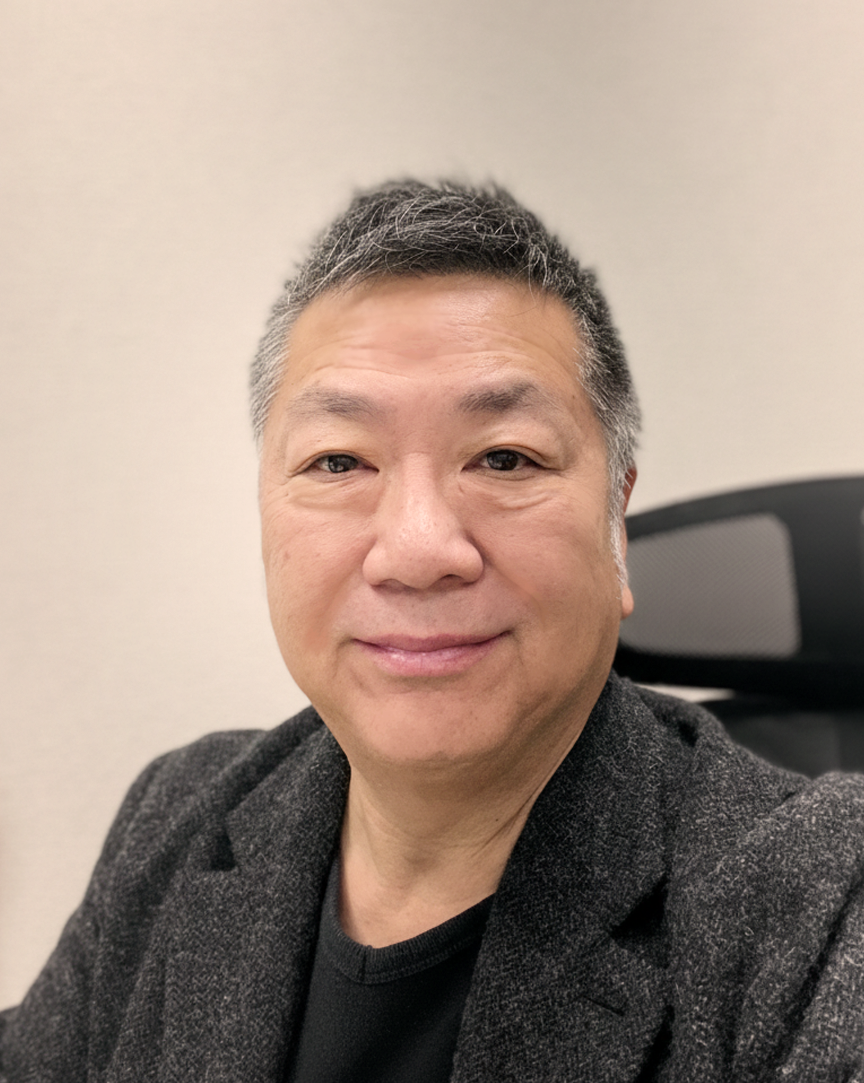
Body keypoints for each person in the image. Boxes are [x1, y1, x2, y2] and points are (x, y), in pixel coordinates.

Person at [2, 180, 864, 1083]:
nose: (417, 551)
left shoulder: (820, 904)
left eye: (504, 458)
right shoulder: (178, 816)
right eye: (339, 461)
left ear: (616, 524)